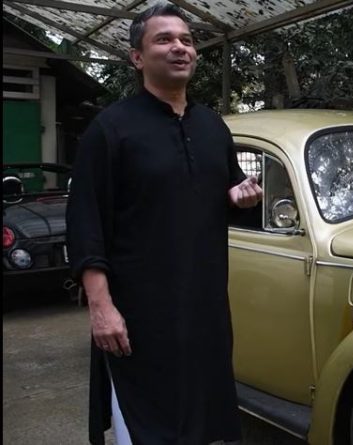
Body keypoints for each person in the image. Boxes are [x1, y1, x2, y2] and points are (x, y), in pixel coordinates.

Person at [66, 3, 262, 444]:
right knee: (145, 425)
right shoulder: (110, 130)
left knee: (202, 419)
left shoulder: (212, 126)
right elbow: (85, 224)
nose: (180, 47)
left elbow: (229, 194)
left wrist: (241, 197)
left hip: (205, 310)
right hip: (138, 316)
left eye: (186, 40)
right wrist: (102, 308)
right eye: (164, 39)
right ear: (137, 57)